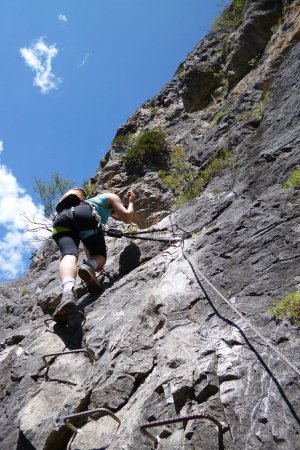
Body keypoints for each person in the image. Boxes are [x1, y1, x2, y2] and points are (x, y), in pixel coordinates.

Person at [51, 188, 135, 320]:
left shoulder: (88, 204)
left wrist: (93, 272)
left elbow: (87, 247)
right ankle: (89, 266)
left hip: (61, 220)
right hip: (84, 215)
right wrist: (131, 202)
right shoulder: (110, 196)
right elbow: (127, 217)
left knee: (69, 254)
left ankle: (67, 292)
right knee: (100, 256)